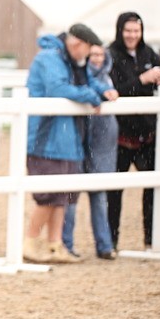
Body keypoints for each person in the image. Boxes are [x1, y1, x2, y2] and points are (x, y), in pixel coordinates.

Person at [23, 24, 117, 264]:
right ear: (77, 45)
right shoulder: (49, 59)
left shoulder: (73, 61)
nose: (87, 57)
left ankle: (55, 245)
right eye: (86, 51)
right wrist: (92, 96)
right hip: (46, 139)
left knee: (63, 196)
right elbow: (58, 88)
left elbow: (86, 82)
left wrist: (105, 91)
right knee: (48, 196)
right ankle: (30, 242)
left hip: (69, 139)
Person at [107, 12, 160, 249]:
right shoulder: (111, 55)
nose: (132, 35)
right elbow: (116, 89)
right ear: (120, 30)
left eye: (136, 31)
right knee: (114, 192)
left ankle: (151, 239)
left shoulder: (149, 53)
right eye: (128, 30)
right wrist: (141, 79)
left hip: (147, 134)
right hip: (120, 134)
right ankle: (111, 241)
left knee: (152, 188)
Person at [62, 44, 118, 260]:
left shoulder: (108, 79)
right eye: (93, 54)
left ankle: (104, 245)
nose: (96, 58)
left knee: (99, 196)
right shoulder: (78, 75)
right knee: (71, 197)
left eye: (100, 55)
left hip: (102, 143)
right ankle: (67, 243)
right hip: (78, 139)